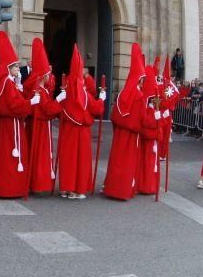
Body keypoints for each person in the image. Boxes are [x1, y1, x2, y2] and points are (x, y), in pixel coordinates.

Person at [0, 31, 35, 199]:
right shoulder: (7, 83)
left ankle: (14, 187)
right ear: (9, 68)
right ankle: (7, 188)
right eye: (16, 66)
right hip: (9, 125)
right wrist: (30, 103)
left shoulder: (12, 83)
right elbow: (14, 105)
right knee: (7, 157)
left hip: (13, 124)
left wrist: (21, 91)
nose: (18, 68)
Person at [57, 46, 105, 199]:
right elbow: (93, 107)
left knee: (68, 158)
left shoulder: (68, 88)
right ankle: (76, 189)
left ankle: (66, 188)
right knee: (80, 159)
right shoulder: (80, 89)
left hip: (68, 130)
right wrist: (102, 99)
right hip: (81, 131)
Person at [103, 43, 147, 200]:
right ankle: (123, 190)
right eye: (142, 80)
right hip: (131, 136)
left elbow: (115, 115)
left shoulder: (123, 93)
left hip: (120, 135)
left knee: (117, 161)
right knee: (127, 163)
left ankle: (111, 188)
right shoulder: (139, 96)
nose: (143, 83)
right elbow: (140, 119)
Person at [24, 38, 61, 195]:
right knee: (39, 154)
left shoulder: (42, 89)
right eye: (47, 73)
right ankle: (37, 183)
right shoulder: (38, 90)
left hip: (40, 126)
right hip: (39, 127)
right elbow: (46, 110)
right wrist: (59, 102)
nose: (49, 76)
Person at [134, 65, 162, 196]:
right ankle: (146, 186)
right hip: (149, 140)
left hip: (152, 140)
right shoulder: (149, 109)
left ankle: (150, 185)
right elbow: (146, 122)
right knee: (147, 163)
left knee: (150, 164)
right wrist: (156, 120)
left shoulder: (153, 109)